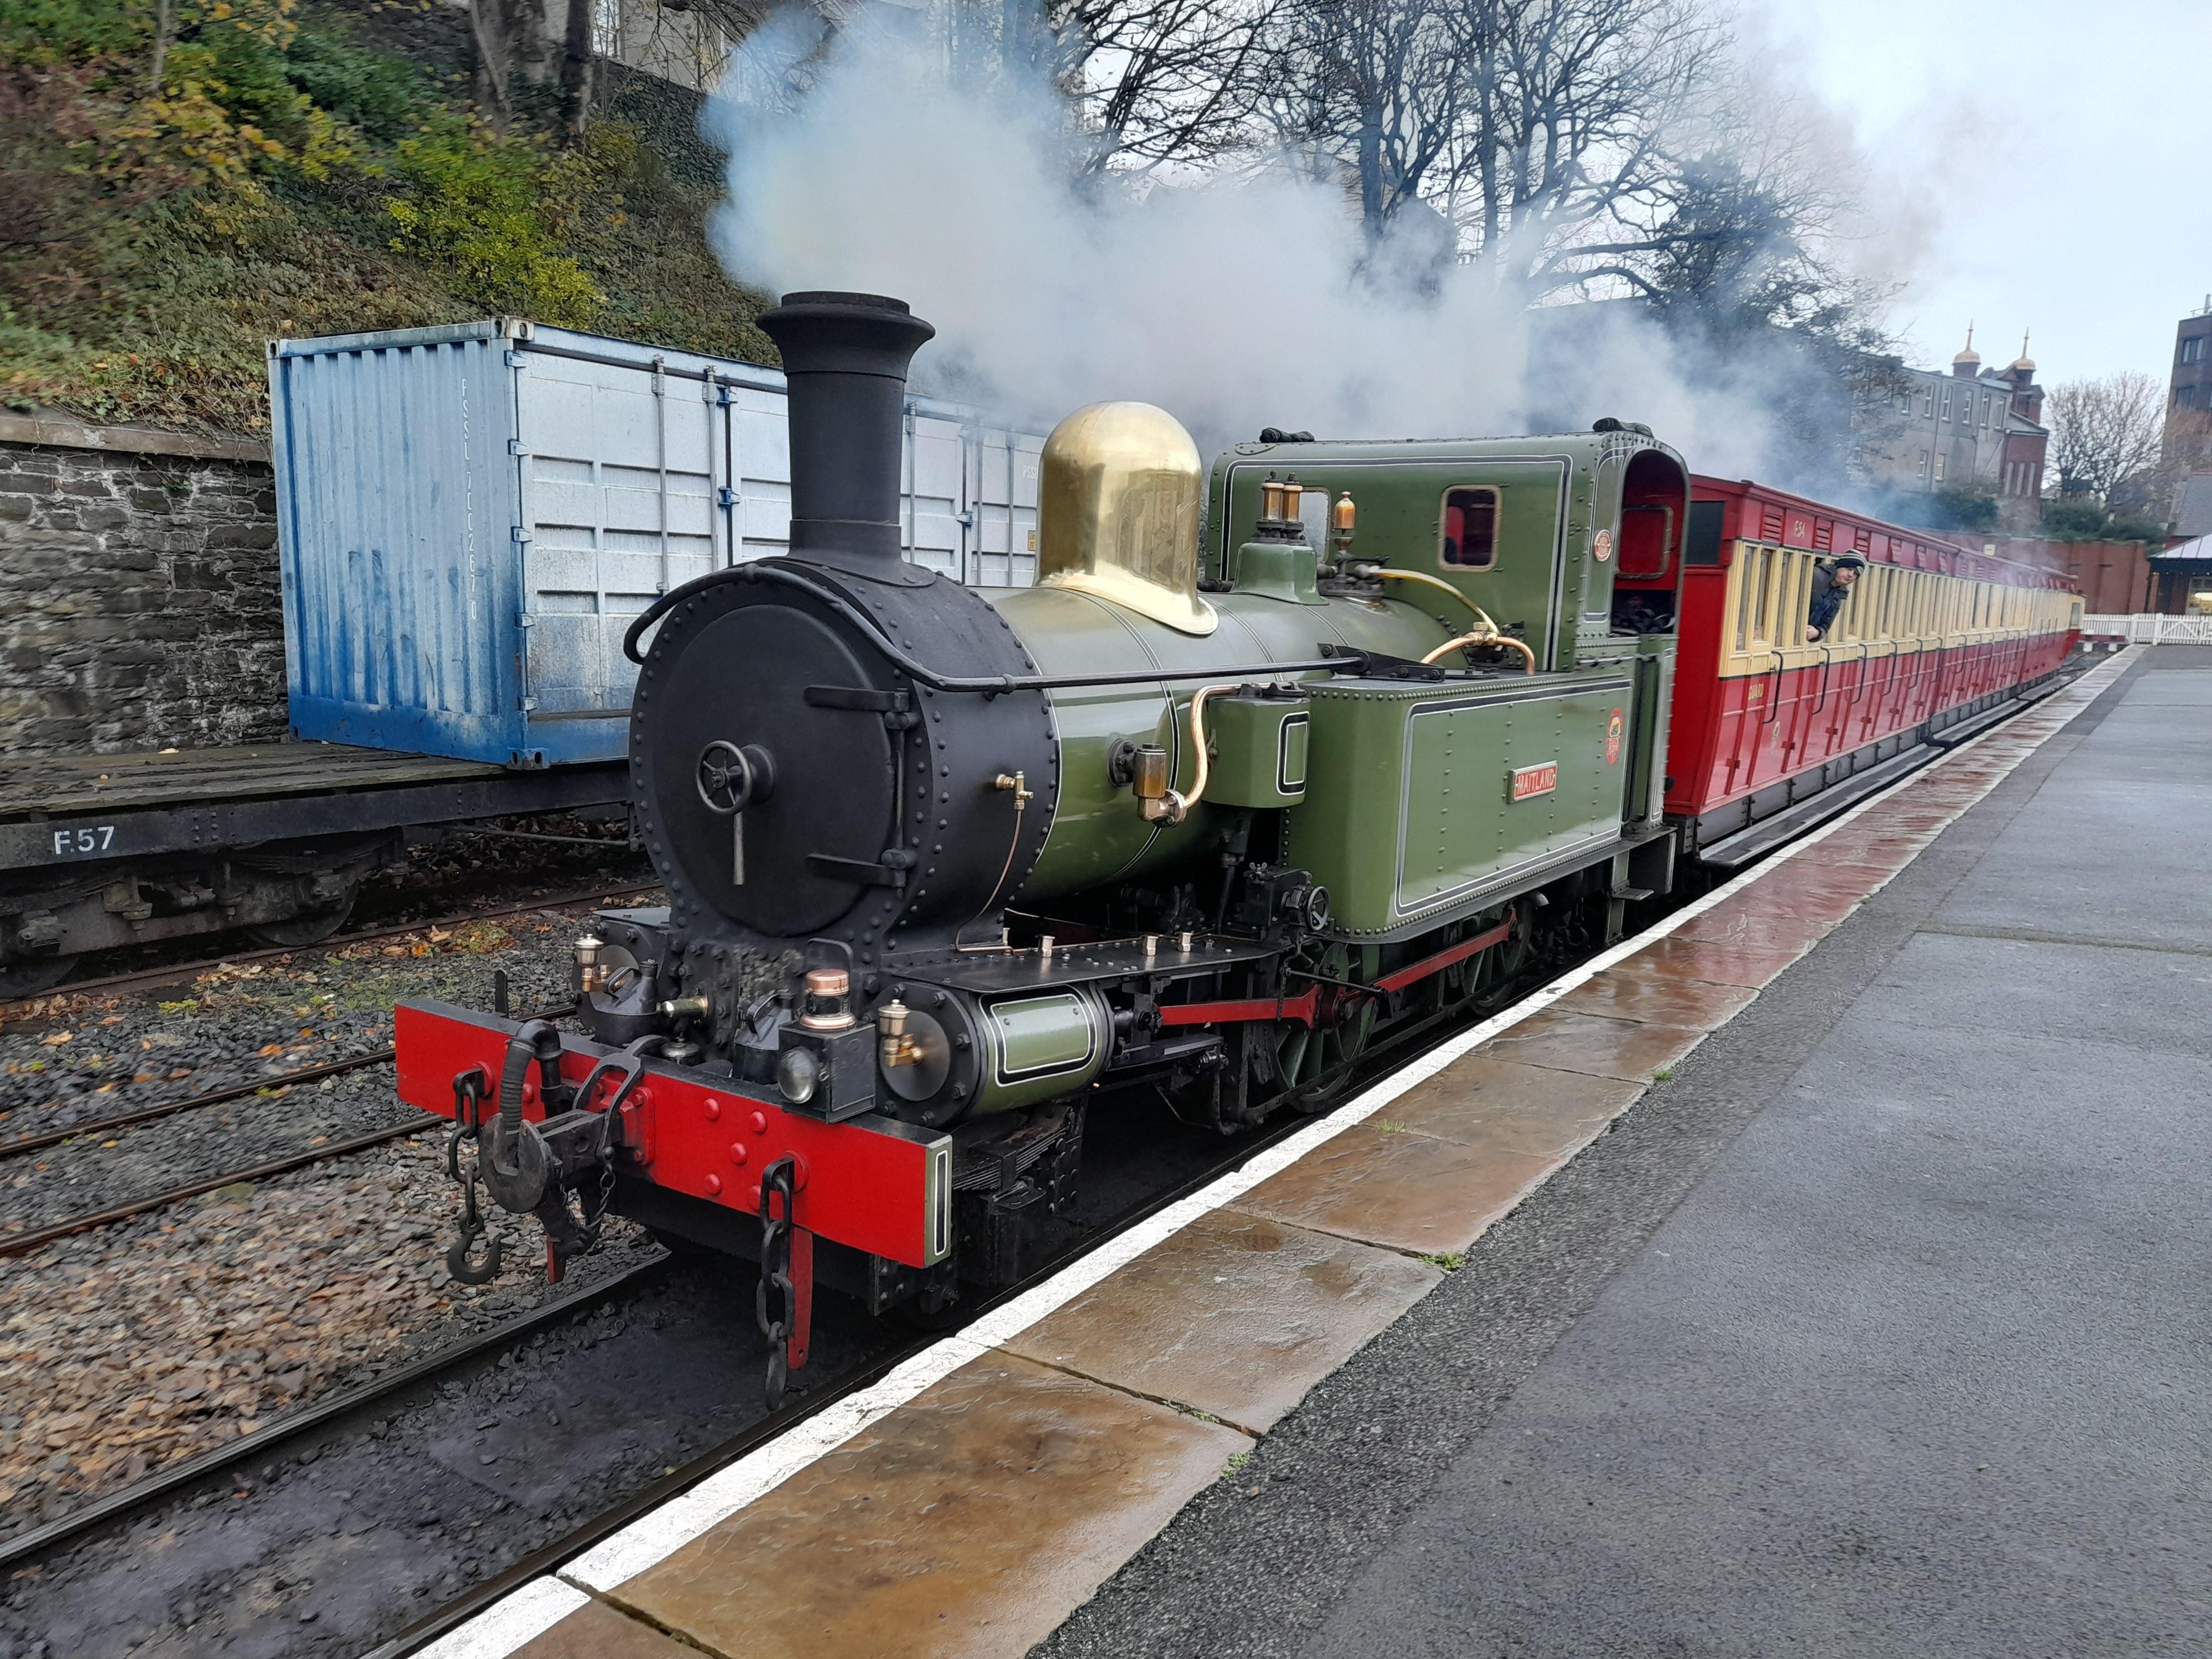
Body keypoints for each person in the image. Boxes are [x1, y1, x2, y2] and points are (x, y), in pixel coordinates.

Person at [1805, 554, 1866, 642]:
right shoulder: (1815, 575)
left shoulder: (1841, 593)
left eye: (1856, 574)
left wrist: (1817, 633)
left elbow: (1826, 625)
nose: (1851, 575)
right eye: (1849, 569)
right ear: (1839, 566)